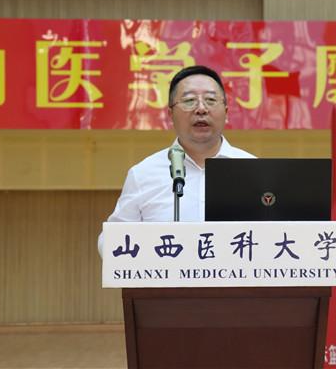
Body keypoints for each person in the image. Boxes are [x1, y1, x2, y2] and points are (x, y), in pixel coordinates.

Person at [97, 65, 255, 256]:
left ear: (226, 112)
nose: (201, 109)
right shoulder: (144, 174)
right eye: (189, 101)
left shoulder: (253, 171)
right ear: (170, 114)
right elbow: (110, 242)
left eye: (211, 100)